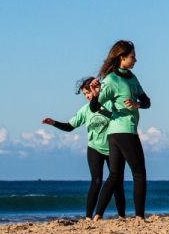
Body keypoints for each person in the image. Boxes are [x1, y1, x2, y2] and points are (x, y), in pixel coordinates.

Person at [42, 76, 125, 219]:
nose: (87, 97)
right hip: (94, 148)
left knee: (117, 183)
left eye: (88, 93)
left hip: (114, 148)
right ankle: (88, 217)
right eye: (85, 95)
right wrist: (54, 122)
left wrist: (100, 108)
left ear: (96, 90)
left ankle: (121, 216)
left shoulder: (110, 104)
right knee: (96, 181)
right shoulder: (85, 110)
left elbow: (119, 117)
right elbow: (69, 127)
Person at [89, 40, 151, 220]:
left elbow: (147, 101)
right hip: (124, 132)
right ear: (122, 58)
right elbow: (94, 107)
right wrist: (94, 94)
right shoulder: (111, 80)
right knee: (139, 173)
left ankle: (98, 214)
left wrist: (136, 103)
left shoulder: (132, 77)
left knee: (115, 175)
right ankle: (139, 216)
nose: (135, 60)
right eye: (132, 57)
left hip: (116, 134)